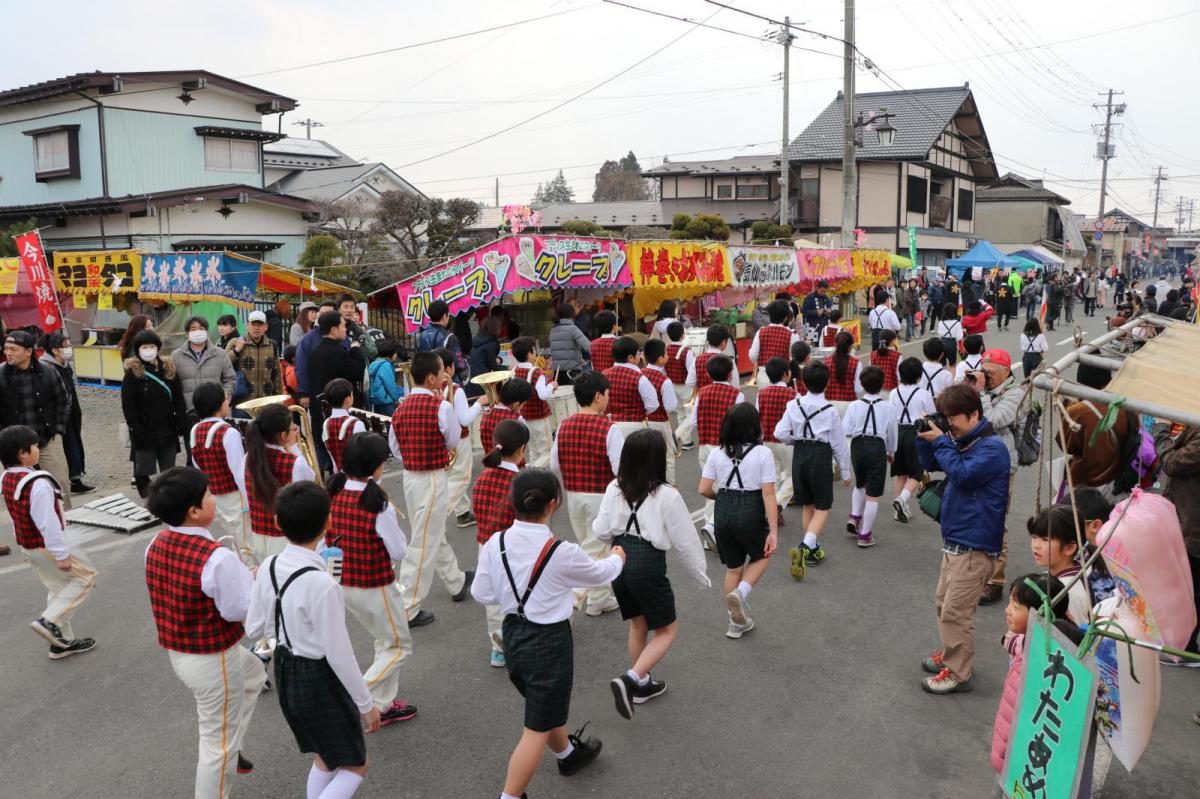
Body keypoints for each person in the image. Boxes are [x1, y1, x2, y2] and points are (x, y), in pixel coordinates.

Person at [471, 468, 624, 799]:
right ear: (553, 504)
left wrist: (513, 594)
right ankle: (511, 795)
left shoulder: (495, 543)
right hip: (549, 641)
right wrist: (617, 558)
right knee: (536, 728)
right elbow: (599, 574)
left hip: (512, 635)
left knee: (542, 706)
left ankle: (568, 754)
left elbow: (482, 593)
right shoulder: (561, 551)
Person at [244, 481, 381, 799]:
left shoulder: (268, 565)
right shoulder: (323, 584)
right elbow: (339, 654)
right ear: (328, 521)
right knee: (355, 765)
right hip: (318, 678)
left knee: (325, 757)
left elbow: (254, 627)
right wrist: (367, 704)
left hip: (285, 670)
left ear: (278, 522)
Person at [144, 467, 265, 797]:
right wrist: (254, 580)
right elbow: (238, 609)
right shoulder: (217, 557)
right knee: (216, 745)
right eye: (208, 495)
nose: (213, 498)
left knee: (254, 674)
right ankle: (226, 758)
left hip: (181, 650)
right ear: (194, 512)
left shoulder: (157, 542)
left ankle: (233, 746)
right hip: (213, 657)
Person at [597, 428, 708, 717]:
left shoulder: (614, 487)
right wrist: (700, 576)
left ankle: (643, 684)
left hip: (619, 558)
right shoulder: (667, 495)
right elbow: (685, 542)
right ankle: (631, 680)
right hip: (648, 562)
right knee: (667, 629)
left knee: (638, 623)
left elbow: (600, 530)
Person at [916, 383, 1010, 694]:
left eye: (952, 418)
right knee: (944, 604)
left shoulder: (992, 449)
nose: (949, 424)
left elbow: (963, 474)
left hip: (974, 544)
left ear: (974, 414)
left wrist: (942, 441)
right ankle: (950, 654)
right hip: (957, 539)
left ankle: (958, 673)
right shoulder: (965, 441)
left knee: (956, 612)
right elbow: (931, 464)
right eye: (944, 418)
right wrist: (924, 438)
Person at [324, 433, 418, 726]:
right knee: (399, 647)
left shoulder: (334, 492)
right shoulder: (377, 503)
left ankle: (383, 704)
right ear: (374, 465)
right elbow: (399, 550)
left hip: (344, 581)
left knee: (384, 640)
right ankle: (359, 696)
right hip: (375, 584)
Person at [387, 353, 471, 628]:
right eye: (442, 372)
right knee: (422, 542)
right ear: (432, 378)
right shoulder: (441, 406)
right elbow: (453, 440)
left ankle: (456, 581)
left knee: (429, 532)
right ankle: (408, 606)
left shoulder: (399, 409)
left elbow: (395, 449)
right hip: (433, 477)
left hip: (411, 478)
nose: (445, 375)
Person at [0, 425, 97, 658]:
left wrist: (23, 546)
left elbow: (16, 516)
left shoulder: (7, 478)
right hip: (46, 546)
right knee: (86, 578)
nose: (38, 449)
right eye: (35, 446)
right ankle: (50, 622)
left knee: (58, 588)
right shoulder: (39, 483)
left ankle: (61, 642)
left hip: (29, 545)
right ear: (23, 453)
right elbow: (48, 523)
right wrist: (61, 554)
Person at [549, 370, 624, 617]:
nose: (608, 399)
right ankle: (569, 602)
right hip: (600, 496)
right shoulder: (609, 428)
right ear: (597, 397)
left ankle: (598, 598)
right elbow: (620, 469)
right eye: (607, 394)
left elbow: (554, 464)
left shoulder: (564, 425)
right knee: (596, 550)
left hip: (573, 494)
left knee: (589, 545)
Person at [700, 404, 777, 639]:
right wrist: (773, 531)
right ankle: (741, 593)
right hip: (750, 508)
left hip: (723, 510)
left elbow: (703, 488)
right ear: (754, 426)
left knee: (733, 568)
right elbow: (768, 494)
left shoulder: (717, 452)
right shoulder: (762, 453)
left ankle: (735, 624)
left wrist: (721, 498)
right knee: (763, 555)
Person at [774, 361, 852, 579]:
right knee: (823, 506)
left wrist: (795, 440)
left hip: (800, 454)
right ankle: (805, 547)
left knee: (808, 504)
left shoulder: (793, 404)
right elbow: (839, 444)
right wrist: (846, 471)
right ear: (827, 383)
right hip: (820, 456)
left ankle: (812, 548)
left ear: (803, 382)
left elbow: (780, 432)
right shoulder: (830, 410)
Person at [990, 574, 1071, 777]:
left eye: (1016, 607)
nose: (1007, 610)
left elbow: (1014, 714)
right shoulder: (1040, 644)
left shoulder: (1033, 662)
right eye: (1010, 603)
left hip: (1017, 754)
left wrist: (1004, 755)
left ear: (1040, 615)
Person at [472, 419, 528, 668]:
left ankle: (498, 647)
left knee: (494, 598)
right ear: (521, 449)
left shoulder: (482, 477)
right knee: (520, 592)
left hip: (486, 544)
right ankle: (521, 640)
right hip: (513, 546)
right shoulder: (520, 482)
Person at [976, 350, 1026, 605]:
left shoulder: (1016, 393)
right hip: (978, 462)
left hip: (1002, 467)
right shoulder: (985, 391)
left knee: (996, 521)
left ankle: (995, 580)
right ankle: (978, 572)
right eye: (983, 372)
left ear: (1006, 371)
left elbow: (994, 420)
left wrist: (980, 393)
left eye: (990, 373)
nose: (986, 377)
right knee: (976, 517)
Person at [0, 330, 71, 506]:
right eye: (6, 348)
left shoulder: (48, 371)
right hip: (13, 444)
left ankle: (65, 517)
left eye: (13, 349)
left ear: (28, 351)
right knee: (17, 489)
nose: (8, 353)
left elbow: (63, 402)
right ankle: (25, 519)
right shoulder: (1, 374)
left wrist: (58, 430)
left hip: (46, 438)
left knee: (59, 482)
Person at [244, 403, 317, 565]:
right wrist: (294, 447)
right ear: (283, 435)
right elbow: (309, 484)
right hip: (285, 539)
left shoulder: (248, 458)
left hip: (258, 534)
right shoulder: (294, 462)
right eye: (292, 428)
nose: (295, 430)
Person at [122, 330, 188, 497]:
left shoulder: (168, 370)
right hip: (144, 430)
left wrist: (181, 422)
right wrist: (135, 428)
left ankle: (168, 496)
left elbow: (178, 399)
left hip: (167, 428)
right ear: (138, 350)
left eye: (152, 346)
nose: (149, 350)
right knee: (144, 468)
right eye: (144, 347)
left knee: (169, 468)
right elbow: (128, 406)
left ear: (158, 348)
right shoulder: (132, 374)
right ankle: (150, 498)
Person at [688, 356, 744, 547]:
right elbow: (739, 424)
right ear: (730, 374)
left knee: (710, 490)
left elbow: (693, 421)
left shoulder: (702, 392)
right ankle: (713, 528)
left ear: (708, 374)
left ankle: (710, 532)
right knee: (725, 489)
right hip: (725, 449)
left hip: (705, 447)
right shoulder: (736, 395)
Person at [189, 382, 248, 563]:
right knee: (245, 542)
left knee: (234, 537)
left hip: (215, 494)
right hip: (235, 495)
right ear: (217, 404)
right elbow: (239, 472)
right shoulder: (228, 432)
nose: (228, 402)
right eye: (225, 399)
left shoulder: (195, 430)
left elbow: (197, 465)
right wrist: (249, 500)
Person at [843, 366, 898, 549]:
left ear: (862, 384)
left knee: (860, 483)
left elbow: (846, 430)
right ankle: (865, 535)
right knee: (873, 494)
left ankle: (854, 516)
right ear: (882, 384)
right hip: (877, 446)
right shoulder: (889, 408)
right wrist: (891, 452)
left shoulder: (854, 405)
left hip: (858, 446)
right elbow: (892, 433)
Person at [1058, 363, 1134, 489]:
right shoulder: (1125, 404)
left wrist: (1067, 407)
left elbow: (1065, 445)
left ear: (1080, 383)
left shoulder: (1077, 412)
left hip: (1086, 479)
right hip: (1119, 476)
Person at [437, 347, 488, 527]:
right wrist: (479, 403)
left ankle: (463, 513)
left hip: (442, 439)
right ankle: (440, 513)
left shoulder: (432, 388)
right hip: (459, 440)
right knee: (461, 477)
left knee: (450, 477)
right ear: (448, 368)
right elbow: (464, 420)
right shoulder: (455, 390)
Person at [40, 332, 93, 494]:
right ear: (55, 350)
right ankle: (58, 484)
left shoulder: (65, 366)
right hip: (54, 416)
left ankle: (75, 479)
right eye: (66, 346)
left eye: (70, 345)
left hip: (69, 413)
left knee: (73, 445)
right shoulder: (45, 367)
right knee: (57, 451)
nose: (69, 349)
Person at [1026, 505, 1092, 625]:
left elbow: (1072, 632)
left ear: (1069, 548)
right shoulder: (1079, 571)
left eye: (1045, 539)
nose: (1036, 545)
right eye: (1034, 537)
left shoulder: (1069, 592)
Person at [888, 357, 934, 524]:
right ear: (919, 376)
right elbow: (931, 415)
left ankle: (899, 510)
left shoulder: (894, 392)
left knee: (900, 473)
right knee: (916, 472)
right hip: (916, 434)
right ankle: (902, 500)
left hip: (898, 432)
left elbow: (890, 414)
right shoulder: (923, 394)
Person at [756, 357, 797, 523]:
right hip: (787, 441)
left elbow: (758, 416)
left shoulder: (761, 394)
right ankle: (777, 504)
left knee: (773, 477)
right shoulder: (793, 394)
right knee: (793, 476)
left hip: (767, 440)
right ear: (786, 375)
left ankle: (773, 510)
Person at [173, 316, 237, 419]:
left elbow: (230, 379)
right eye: (193, 329)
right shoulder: (176, 356)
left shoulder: (220, 354)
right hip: (188, 413)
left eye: (201, 328)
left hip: (217, 412)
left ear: (206, 331)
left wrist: (222, 397)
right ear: (187, 333)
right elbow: (173, 385)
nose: (197, 332)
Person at [603, 336, 659, 442]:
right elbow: (653, 404)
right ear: (630, 358)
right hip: (635, 427)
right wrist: (639, 412)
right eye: (638, 353)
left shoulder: (603, 375)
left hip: (609, 426)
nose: (640, 356)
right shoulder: (640, 378)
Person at [511, 337, 554, 469]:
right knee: (547, 453)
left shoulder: (514, 370)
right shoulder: (536, 372)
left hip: (524, 417)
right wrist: (552, 385)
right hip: (539, 417)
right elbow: (543, 395)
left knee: (534, 451)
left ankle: (532, 476)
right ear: (529, 355)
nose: (535, 352)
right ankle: (531, 473)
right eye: (534, 350)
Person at [640, 339, 679, 485]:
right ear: (660, 359)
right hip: (660, 422)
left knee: (645, 457)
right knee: (667, 456)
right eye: (666, 353)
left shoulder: (639, 373)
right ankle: (669, 485)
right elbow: (670, 406)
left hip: (642, 421)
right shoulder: (665, 380)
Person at [227, 310, 280, 403]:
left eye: (260, 324)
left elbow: (276, 374)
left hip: (266, 401)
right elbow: (223, 365)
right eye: (253, 324)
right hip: (242, 401)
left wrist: (279, 398)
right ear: (247, 325)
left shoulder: (272, 345)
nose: (256, 328)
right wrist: (236, 351)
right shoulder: (235, 342)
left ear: (266, 327)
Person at [295, 300, 339, 403]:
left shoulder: (342, 336)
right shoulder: (308, 338)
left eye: (328, 314)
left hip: (339, 392)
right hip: (317, 392)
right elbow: (301, 365)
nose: (322, 317)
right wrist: (304, 392)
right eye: (321, 313)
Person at [748, 299, 799, 387]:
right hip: (782, 376)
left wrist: (761, 364)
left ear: (769, 315)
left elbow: (752, 355)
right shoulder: (792, 334)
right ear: (786, 317)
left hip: (763, 375)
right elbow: (794, 357)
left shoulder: (761, 332)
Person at [322, 378, 366, 475]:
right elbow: (363, 454)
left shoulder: (326, 424)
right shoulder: (356, 423)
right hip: (358, 476)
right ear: (347, 399)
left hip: (339, 475)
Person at [664, 322, 695, 449]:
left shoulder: (665, 349)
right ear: (683, 335)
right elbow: (691, 371)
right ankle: (678, 435)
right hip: (685, 386)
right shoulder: (687, 351)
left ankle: (686, 441)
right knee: (692, 414)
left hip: (672, 385)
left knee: (680, 413)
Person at [481, 379, 531, 454]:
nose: (522, 407)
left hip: (490, 460)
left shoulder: (486, 414)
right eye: (523, 404)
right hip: (511, 460)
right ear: (516, 404)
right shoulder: (518, 420)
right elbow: (526, 439)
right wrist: (517, 414)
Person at [549, 302, 591, 382]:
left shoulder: (553, 330)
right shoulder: (573, 329)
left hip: (557, 374)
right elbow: (588, 347)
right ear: (572, 315)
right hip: (572, 373)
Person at [686, 325, 733, 395]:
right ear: (723, 342)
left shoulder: (697, 359)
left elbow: (690, 382)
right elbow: (734, 383)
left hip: (703, 397)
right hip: (724, 396)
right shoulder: (728, 360)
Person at [466, 316, 504, 398]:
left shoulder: (477, 340)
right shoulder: (491, 343)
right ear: (495, 329)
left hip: (473, 380)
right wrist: (507, 369)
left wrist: (498, 360)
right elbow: (493, 366)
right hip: (483, 381)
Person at [824, 331, 862, 405]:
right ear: (850, 346)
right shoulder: (856, 363)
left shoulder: (826, 362)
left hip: (829, 403)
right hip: (849, 403)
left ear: (835, 345)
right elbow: (858, 389)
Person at [367, 341, 404, 416]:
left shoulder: (375, 363)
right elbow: (390, 385)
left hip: (377, 400)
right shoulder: (386, 365)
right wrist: (396, 399)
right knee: (390, 421)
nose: (396, 355)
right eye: (395, 353)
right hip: (385, 401)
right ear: (389, 354)